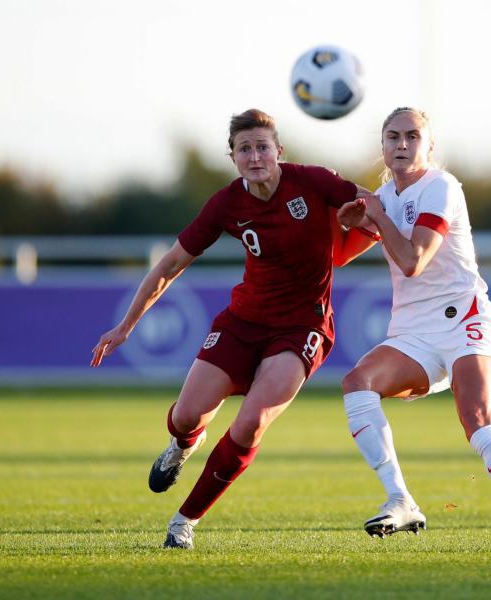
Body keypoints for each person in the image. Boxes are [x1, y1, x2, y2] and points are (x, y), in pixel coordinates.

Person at [90, 108, 377, 549]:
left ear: (279, 151)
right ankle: (182, 446)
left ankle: (184, 521)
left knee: (251, 422)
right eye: (245, 149)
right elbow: (170, 265)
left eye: (263, 146)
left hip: (302, 328)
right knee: (186, 416)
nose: (255, 155)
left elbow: (370, 207)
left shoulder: (314, 181)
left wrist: (369, 228)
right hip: (243, 322)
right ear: (234, 158)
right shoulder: (226, 204)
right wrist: (126, 325)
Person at [335, 107, 491, 554]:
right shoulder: (384, 196)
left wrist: (376, 217)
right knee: (356, 384)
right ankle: (400, 499)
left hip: (466, 321)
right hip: (413, 333)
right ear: (382, 146)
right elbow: (340, 253)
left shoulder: (441, 185)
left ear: (429, 146)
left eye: (412, 136)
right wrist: (347, 222)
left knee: (475, 417)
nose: (402, 144)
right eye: (393, 137)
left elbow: (414, 261)